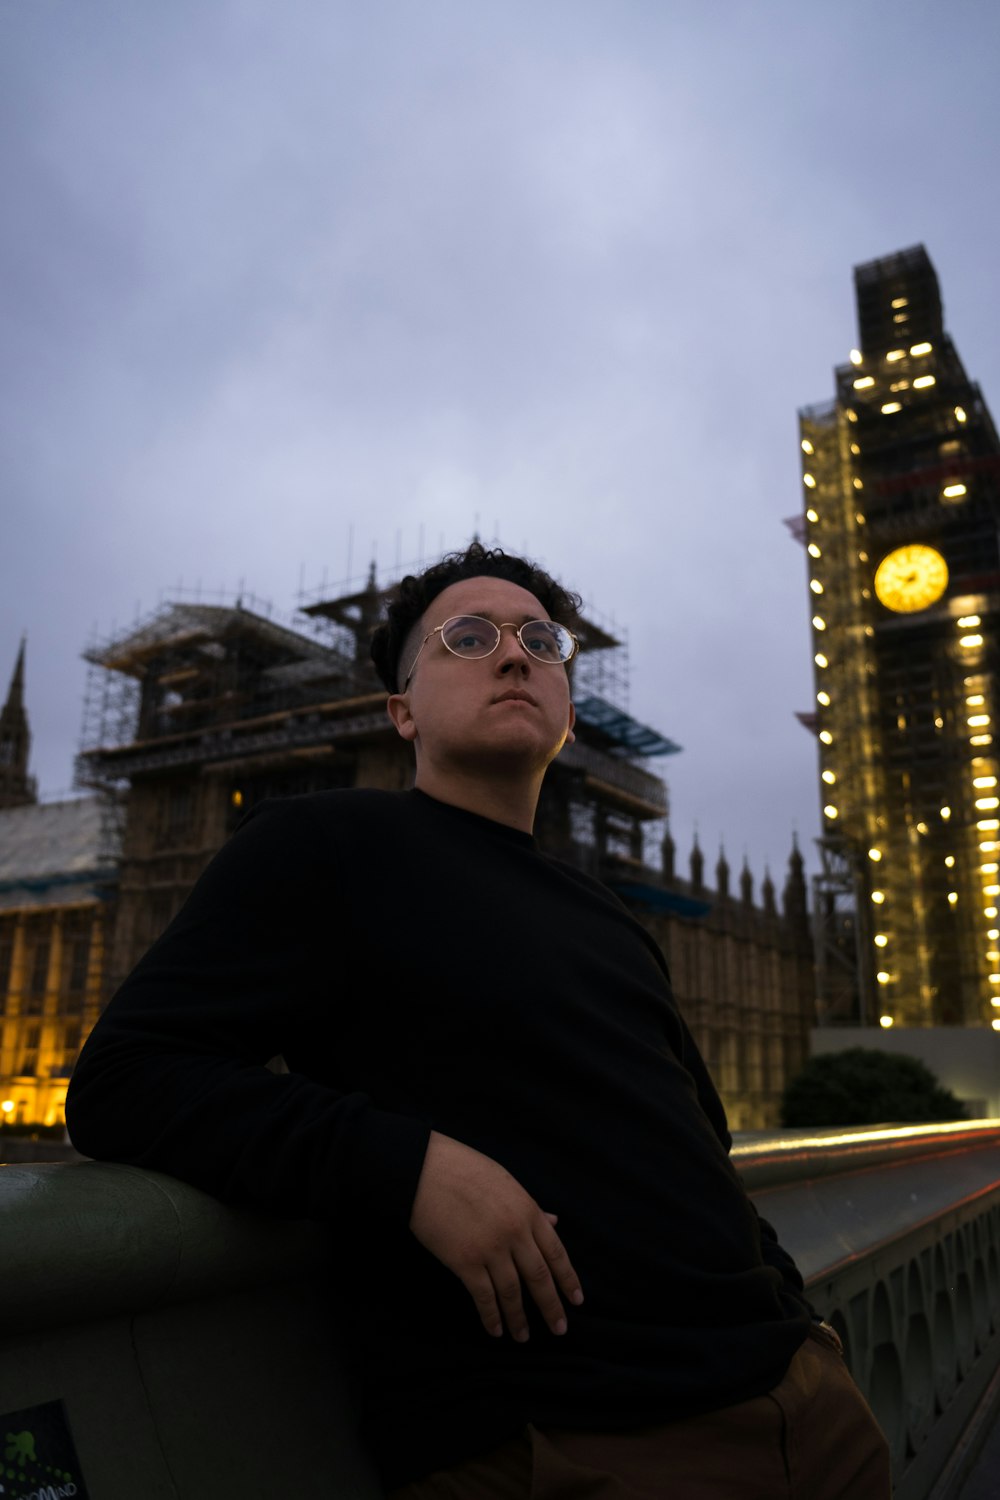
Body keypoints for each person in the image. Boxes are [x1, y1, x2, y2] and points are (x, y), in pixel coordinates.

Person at [66, 542, 890, 1498]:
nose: (513, 655)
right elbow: (124, 1078)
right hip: (577, 1443)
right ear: (401, 710)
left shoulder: (610, 918)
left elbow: (704, 1153)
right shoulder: (323, 847)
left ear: (569, 711)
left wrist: (798, 1326)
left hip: (813, 1412)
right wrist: (404, 1163)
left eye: (541, 641)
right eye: (467, 638)